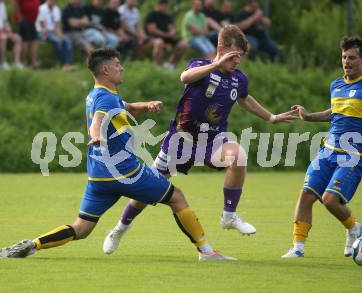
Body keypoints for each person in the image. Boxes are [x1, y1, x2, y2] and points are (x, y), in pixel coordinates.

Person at [0, 48, 235, 262]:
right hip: (124, 171)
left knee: (82, 227)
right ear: (107, 69)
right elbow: (98, 120)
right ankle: (206, 252)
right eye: (118, 65)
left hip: (98, 175)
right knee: (177, 197)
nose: (121, 68)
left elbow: (125, 107)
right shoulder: (105, 98)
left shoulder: (99, 94)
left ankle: (33, 244)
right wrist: (96, 134)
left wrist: (146, 105)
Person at [103, 25, 295, 255]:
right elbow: (184, 76)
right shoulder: (201, 67)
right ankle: (120, 229)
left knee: (238, 156)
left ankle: (229, 216)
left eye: (240, 57)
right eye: (233, 55)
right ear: (221, 49)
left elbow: (244, 99)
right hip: (180, 141)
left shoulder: (238, 79)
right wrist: (217, 64)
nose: (237, 61)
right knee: (147, 191)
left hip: (212, 141)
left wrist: (272, 117)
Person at [281, 36, 362, 258]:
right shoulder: (336, 85)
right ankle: (298, 248)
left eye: (352, 58)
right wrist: (308, 116)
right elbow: (335, 113)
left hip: (353, 155)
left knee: (330, 200)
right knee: (306, 196)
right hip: (327, 151)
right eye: (343, 57)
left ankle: (354, 228)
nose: (346, 62)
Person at [144, 0, 188, 69]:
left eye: (166, 6)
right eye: (164, 6)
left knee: (183, 44)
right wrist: (166, 34)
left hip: (167, 38)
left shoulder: (167, 17)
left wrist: (172, 32)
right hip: (153, 38)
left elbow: (171, 28)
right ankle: (158, 66)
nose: (165, 7)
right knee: (159, 42)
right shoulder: (152, 15)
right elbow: (152, 30)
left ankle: (169, 64)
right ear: (159, 5)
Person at [36, 0, 74, 70]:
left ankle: (68, 63)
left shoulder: (56, 9)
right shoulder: (41, 9)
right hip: (43, 31)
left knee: (66, 40)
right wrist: (49, 33)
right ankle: (62, 63)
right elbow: (42, 24)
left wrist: (60, 34)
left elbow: (57, 24)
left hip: (53, 31)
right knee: (57, 41)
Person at [13, 0, 40, 68]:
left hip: (32, 21)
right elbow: (15, 3)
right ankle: (22, 63)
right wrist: (19, 18)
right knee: (25, 42)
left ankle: (33, 63)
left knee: (35, 41)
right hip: (23, 20)